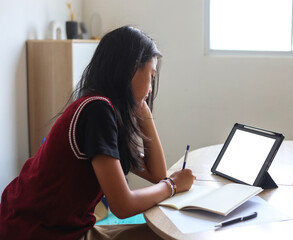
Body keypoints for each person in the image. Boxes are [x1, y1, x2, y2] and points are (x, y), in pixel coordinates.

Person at [0, 26, 196, 240]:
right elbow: (122, 206)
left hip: (62, 228)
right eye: (151, 75)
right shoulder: (97, 110)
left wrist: (144, 113)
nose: (150, 89)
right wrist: (173, 186)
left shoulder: (104, 108)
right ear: (132, 69)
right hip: (37, 232)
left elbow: (156, 174)